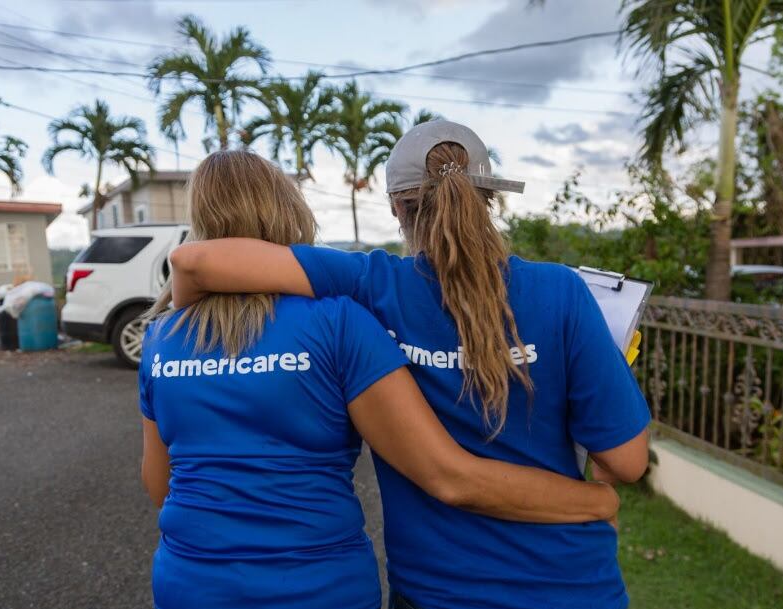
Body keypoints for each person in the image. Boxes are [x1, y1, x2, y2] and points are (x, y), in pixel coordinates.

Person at [168, 121, 651, 609]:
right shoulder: (562, 291)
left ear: (397, 207)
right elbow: (627, 461)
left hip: (439, 590)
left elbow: (192, 262)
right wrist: (599, 493)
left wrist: (174, 337)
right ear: (491, 198)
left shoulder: (373, 283)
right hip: (573, 586)